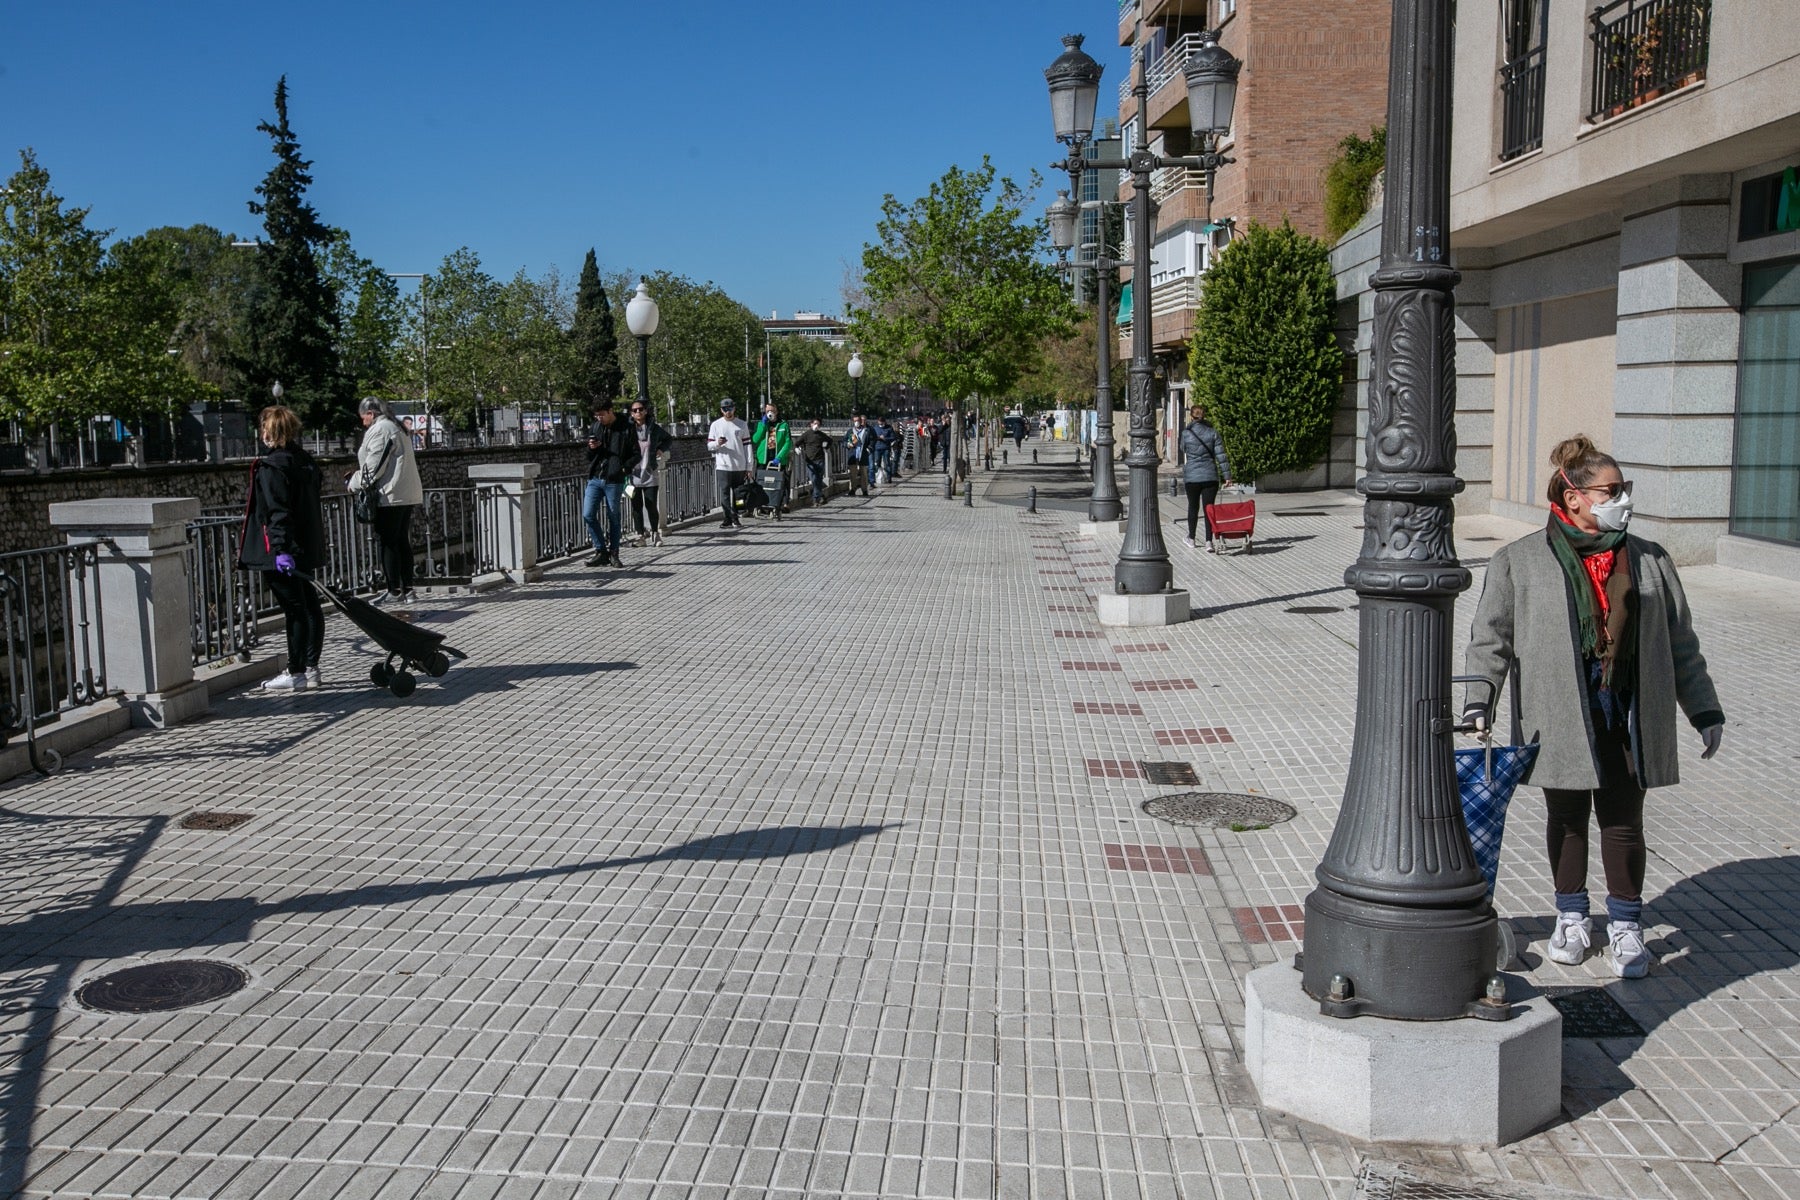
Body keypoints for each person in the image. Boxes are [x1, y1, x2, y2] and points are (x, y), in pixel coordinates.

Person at [1463, 434, 1724, 980]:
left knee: (1625, 820)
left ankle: (1627, 925)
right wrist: (1478, 700)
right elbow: (1492, 638)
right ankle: (1572, 917)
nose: (1624, 498)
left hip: (1629, 708)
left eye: (1625, 488)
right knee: (1567, 816)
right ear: (1574, 496)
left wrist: (1704, 710)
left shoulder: (1651, 560)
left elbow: (1681, 644)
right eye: (1612, 490)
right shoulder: (1520, 559)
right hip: (1558, 707)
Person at [238, 404, 326, 692]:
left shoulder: (272, 466)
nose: (261, 433)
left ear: (269, 430)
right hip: (304, 545)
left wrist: (280, 548)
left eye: (263, 428)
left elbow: (277, 512)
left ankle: (296, 671)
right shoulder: (304, 462)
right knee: (310, 606)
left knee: (295, 610)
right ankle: (310, 667)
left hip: (281, 549)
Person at [347, 397, 424, 605]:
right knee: (401, 541)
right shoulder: (397, 427)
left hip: (390, 494)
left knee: (389, 542)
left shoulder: (382, 429)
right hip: (405, 492)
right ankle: (408, 589)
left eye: (363, 418)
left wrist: (353, 483)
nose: (363, 423)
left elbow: (374, 465)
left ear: (371, 414)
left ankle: (394, 590)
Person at [582, 398, 640, 567]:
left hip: (614, 479)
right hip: (595, 477)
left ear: (610, 411)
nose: (599, 418)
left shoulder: (626, 428)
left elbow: (636, 454)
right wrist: (592, 448)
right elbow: (589, 456)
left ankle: (614, 552)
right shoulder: (595, 427)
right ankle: (601, 551)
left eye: (601, 415)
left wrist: (623, 469)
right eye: (596, 416)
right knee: (588, 514)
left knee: (613, 516)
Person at [1178, 403, 1233, 551]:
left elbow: (1183, 448)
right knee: (1209, 509)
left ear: (1191, 416)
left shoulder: (1186, 433)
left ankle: (1191, 538)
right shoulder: (1212, 432)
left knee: (1193, 507)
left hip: (1192, 477)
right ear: (1205, 415)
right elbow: (1221, 455)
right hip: (1210, 476)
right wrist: (1227, 476)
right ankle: (1209, 541)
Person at [626, 399, 675, 546]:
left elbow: (668, 439)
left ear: (646, 411)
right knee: (636, 506)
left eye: (640, 409)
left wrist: (661, 449)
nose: (638, 412)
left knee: (651, 504)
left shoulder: (653, 428)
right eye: (634, 410)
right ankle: (640, 536)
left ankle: (655, 533)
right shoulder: (628, 429)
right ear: (631, 413)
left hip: (650, 473)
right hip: (632, 475)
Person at [707, 397, 752, 528]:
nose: (728, 412)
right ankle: (728, 517)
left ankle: (737, 515)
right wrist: (717, 443)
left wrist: (749, 467)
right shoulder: (716, 425)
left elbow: (747, 446)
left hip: (739, 465)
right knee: (725, 493)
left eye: (730, 408)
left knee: (739, 495)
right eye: (725, 409)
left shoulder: (742, 424)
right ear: (721, 410)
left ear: (734, 408)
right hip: (723, 465)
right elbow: (709, 445)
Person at [753, 401, 793, 513]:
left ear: (776, 411)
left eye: (772, 411)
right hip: (764, 457)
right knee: (761, 481)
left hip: (777, 457)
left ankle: (781, 503)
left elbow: (787, 442)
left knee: (781, 481)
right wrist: (763, 425)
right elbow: (755, 439)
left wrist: (780, 457)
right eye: (767, 411)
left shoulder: (783, 424)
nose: (770, 413)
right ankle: (761, 504)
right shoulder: (761, 424)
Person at [796, 417, 835, 506]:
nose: (816, 425)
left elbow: (830, 441)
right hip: (810, 460)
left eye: (818, 424)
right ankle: (818, 497)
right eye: (814, 423)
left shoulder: (821, 435)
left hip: (820, 459)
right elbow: (797, 442)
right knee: (814, 479)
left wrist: (826, 446)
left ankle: (816, 498)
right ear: (811, 424)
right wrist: (797, 449)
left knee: (818, 479)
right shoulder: (806, 434)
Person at [844, 414, 874, 496]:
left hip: (863, 454)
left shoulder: (866, 431)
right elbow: (844, 441)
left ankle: (864, 490)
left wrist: (869, 449)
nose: (856, 422)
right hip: (853, 455)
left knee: (864, 474)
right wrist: (848, 445)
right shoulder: (850, 431)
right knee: (852, 474)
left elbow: (872, 441)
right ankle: (852, 489)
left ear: (861, 421)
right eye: (855, 421)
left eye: (858, 421)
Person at [872, 417, 897, 484]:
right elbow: (872, 437)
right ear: (878, 422)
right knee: (877, 463)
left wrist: (885, 438)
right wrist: (878, 437)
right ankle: (877, 477)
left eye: (882, 421)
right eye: (880, 421)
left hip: (886, 448)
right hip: (877, 448)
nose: (881, 423)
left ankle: (889, 478)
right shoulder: (875, 428)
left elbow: (893, 437)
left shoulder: (889, 428)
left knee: (887, 463)